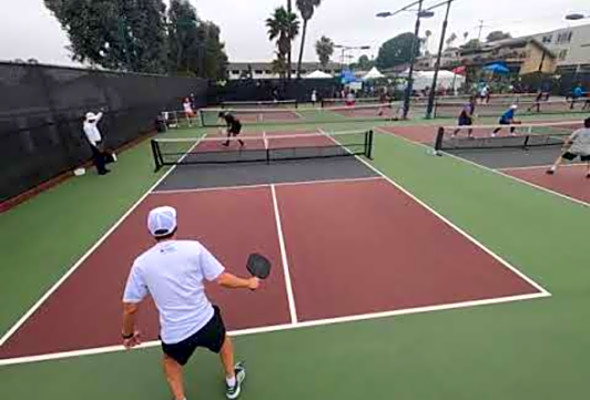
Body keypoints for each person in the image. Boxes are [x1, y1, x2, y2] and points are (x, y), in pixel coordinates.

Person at [122, 206, 260, 400]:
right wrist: (249, 283)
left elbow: (130, 307)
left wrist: (127, 334)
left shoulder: (141, 264)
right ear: (175, 226)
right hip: (205, 321)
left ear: (151, 231)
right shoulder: (194, 248)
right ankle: (231, 381)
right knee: (223, 341)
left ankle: (180, 398)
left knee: (171, 361)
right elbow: (221, 279)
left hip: (174, 333)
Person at [83, 111, 114, 175]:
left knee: (101, 156)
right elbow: (90, 138)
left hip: (99, 142)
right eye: (92, 119)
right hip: (95, 144)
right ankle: (101, 171)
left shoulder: (92, 123)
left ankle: (103, 168)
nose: (94, 120)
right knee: (98, 157)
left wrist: (101, 111)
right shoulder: (87, 127)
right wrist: (96, 146)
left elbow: (97, 118)